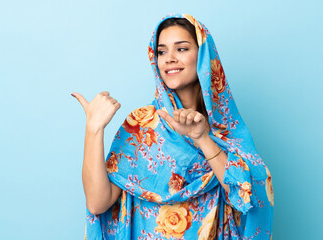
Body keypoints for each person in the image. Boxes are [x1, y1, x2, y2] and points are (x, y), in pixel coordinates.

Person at [72, 13, 274, 240]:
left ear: (203, 56)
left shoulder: (227, 128)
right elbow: (98, 203)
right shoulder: (141, 126)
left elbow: (250, 196)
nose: (169, 58)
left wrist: (203, 138)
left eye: (181, 49)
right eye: (161, 51)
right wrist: (93, 129)